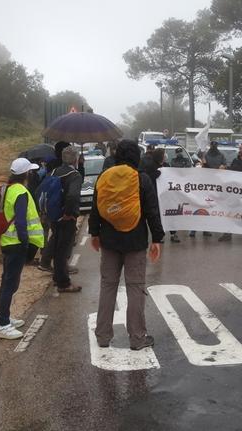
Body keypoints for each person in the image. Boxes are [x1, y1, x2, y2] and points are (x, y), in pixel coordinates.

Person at [91, 140, 164, 351]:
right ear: (136, 156)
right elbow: (152, 211)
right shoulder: (142, 179)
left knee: (107, 286)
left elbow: (96, 208)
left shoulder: (104, 177)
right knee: (135, 288)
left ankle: (103, 336)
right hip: (135, 242)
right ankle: (137, 338)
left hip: (109, 242)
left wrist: (94, 233)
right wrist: (157, 239)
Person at [0, 158, 46, 339]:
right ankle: (2, 324)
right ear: (27, 174)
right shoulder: (21, 193)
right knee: (10, 283)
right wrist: (26, 243)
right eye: (31, 171)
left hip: (8, 242)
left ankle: (5, 317)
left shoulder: (9, 189)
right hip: (16, 244)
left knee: (8, 282)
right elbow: (21, 221)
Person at [48, 146, 84, 293]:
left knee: (57, 248)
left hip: (54, 216)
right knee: (63, 250)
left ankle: (57, 278)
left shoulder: (55, 172)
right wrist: (69, 213)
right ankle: (64, 283)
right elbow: (73, 196)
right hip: (66, 217)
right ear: (75, 159)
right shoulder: (74, 175)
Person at [39, 141, 73, 271]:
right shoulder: (62, 168)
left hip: (51, 205)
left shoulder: (53, 166)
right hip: (60, 207)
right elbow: (71, 191)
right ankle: (61, 264)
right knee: (65, 235)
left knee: (56, 234)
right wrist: (68, 212)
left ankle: (46, 261)